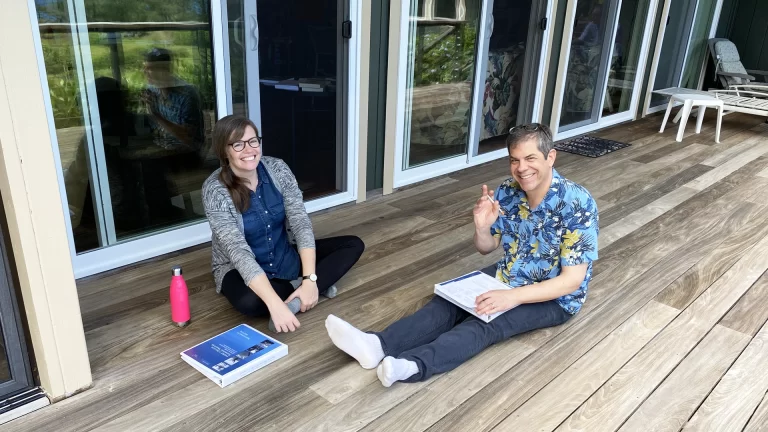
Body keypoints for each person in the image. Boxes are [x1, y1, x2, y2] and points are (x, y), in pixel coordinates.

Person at [325, 123, 598, 387]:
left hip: (554, 297)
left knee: (486, 323)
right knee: (446, 302)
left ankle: (413, 365)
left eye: (530, 158)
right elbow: (487, 247)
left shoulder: (578, 203)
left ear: (550, 157)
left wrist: (510, 297)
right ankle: (377, 345)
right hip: (510, 273)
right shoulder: (508, 191)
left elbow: (571, 281)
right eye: (514, 160)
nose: (521, 168)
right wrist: (481, 227)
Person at [202, 115, 365, 332]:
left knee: (353, 244)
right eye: (238, 144)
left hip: (283, 254)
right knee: (249, 303)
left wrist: (309, 278)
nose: (249, 149)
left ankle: (305, 290)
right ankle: (303, 289)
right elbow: (237, 252)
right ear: (224, 151)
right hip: (237, 267)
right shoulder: (214, 190)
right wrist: (276, 305)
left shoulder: (277, 169)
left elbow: (300, 223)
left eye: (253, 141)